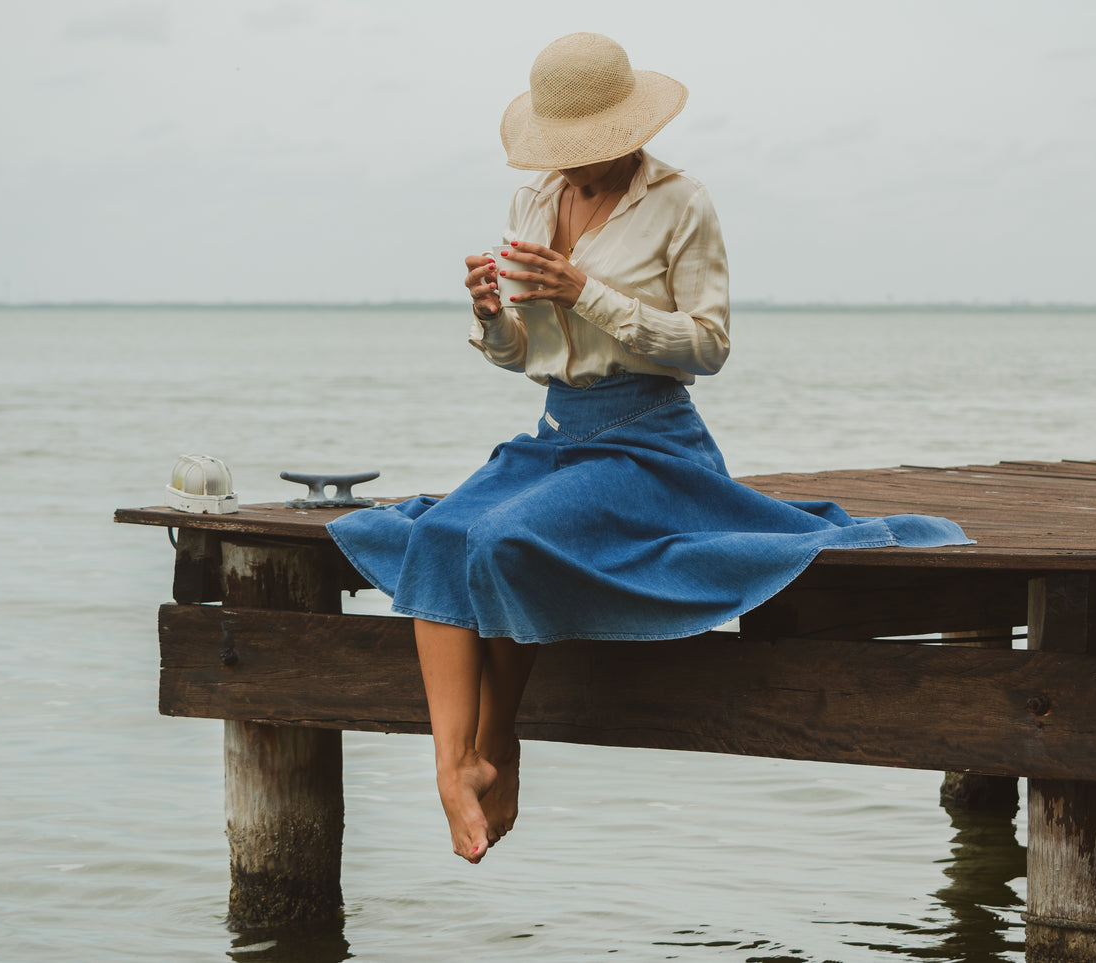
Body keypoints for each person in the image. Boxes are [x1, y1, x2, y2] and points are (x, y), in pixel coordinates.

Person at [328, 32, 970, 864]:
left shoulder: (681, 202)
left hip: (650, 442)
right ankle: (455, 763)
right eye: (562, 151)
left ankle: (500, 741)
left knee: (505, 538)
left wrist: (586, 292)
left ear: (627, 131)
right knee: (442, 534)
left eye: (587, 148)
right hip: (558, 431)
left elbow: (707, 345)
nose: (575, 166)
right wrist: (491, 316)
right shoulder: (533, 204)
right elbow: (528, 356)